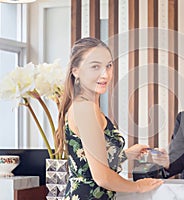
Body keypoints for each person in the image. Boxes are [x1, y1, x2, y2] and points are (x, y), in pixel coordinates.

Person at [55, 37, 163, 200]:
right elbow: (101, 177)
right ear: (75, 70)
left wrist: (126, 154)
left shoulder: (85, 105)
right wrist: (138, 186)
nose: (105, 74)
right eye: (95, 66)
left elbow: (88, 162)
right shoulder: (85, 109)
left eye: (108, 66)